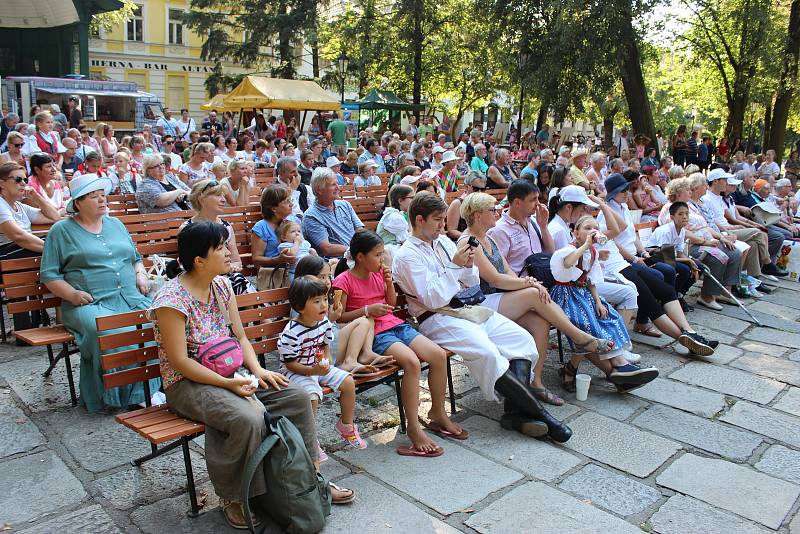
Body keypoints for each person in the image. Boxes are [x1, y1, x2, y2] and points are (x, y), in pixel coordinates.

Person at [149, 223, 353, 528]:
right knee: (249, 417)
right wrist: (228, 383)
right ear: (199, 260)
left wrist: (258, 370)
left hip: (234, 372)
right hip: (188, 384)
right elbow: (179, 361)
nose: (228, 252)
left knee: (296, 396)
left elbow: (240, 337)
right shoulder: (171, 301)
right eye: (220, 247)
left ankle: (310, 480)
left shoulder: (222, 285)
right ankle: (236, 496)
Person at [393, 193, 572, 441]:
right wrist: (456, 266)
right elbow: (432, 299)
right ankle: (545, 418)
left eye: (444, 219)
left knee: (520, 340)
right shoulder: (406, 255)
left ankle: (517, 412)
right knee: (487, 353)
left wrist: (466, 266)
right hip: (436, 318)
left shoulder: (443, 242)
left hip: (466, 308)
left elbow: (470, 282)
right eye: (437, 220)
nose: (443, 225)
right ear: (419, 219)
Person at [462, 192, 639, 405]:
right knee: (537, 294)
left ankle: (535, 382)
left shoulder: (488, 237)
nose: (497, 212)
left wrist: (529, 282)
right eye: (492, 209)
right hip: (481, 303)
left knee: (541, 321)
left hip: (501, 297)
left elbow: (508, 272)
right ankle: (581, 338)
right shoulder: (469, 241)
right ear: (478, 215)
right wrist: (530, 284)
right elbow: (494, 279)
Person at [334, 231, 464, 455]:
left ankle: (437, 413)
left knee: (438, 355)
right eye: (377, 255)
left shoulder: (377, 275)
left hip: (395, 325)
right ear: (360, 257)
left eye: (383, 253)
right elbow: (338, 318)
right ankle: (414, 429)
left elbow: (391, 303)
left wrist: (387, 282)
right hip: (372, 334)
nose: (382, 258)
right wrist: (367, 310)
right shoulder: (343, 281)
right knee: (411, 363)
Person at [41, 173, 158, 412]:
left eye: (103, 196)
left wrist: (140, 274)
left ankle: (149, 388)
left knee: (159, 322)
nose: (102, 200)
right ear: (78, 203)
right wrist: (73, 294)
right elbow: (50, 275)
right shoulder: (61, 231)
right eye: (94, 197)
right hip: (88, 302)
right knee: (110, 331)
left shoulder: (116, 224)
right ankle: (120, 396)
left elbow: (135, 258)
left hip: (130, 296)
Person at [599, 175, 717, 354]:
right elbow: (617, 234)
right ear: (612, 194)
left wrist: (644, 253)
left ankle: (690, 332)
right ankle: (685, 340)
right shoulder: (604, 214)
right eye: (621, 191)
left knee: (665, 289)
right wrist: (602, 204)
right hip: (616, 266)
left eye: (626, 189)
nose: (626, 193)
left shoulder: (622, 206)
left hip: (627, 261)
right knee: (648, 297)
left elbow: (631, 235)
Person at [550, 215, 659, 392]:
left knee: (609, 317)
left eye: (595, 228)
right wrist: (586, 244)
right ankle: (617, 367)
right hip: (565, 295)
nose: (592, 231)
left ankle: (616, 364)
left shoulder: (591, 253)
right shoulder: (567, 250)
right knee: (586, 324)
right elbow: (568, 263)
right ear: (575, 232)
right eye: (587, 228)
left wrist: (599, 302)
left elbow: (591, 280)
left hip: (583, 294)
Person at [279, 276, 366, 451]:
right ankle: (309, 440)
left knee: (348, 382)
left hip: (317, 366)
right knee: (312, 398)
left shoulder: (324, 323)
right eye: (316, 301)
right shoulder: (291, 333)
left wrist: (326, 361)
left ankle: (346, 425)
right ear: (299, 307)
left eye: (325, 299)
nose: (324, 305)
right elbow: (290, 364)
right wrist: (312, 371)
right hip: (296, 372)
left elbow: (325, 344)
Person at [0, 162, 61, 330]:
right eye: (18, 179)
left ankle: (63, 318)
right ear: (2, 183)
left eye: (25, 180)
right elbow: (18, 236)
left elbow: (54, 216)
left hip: (21, 258)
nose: (23, 184)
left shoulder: (20, 206)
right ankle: (64, 319)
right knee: (59, 247)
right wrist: (54, 251)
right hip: (5, 259)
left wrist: (35, 195)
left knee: (58, 237)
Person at [182, 179, 253, 294]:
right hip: (203, 281)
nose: (223, 200)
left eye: (223, 195)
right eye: (218, 195)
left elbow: (236, 261)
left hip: (227, 278)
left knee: (238, 280)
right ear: (201, 199)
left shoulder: (226, 226)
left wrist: (233, 266)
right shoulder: (187, 228)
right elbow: (188, 265)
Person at [303, 168, 364, 257]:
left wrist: (366, 244)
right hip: (338, 262)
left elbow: (360, 230)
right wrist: (355, 250)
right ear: (319, 190)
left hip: (357, 255)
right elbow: (327, 249)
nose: (338, 188)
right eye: (333, 185)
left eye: (337, 184)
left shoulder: (345, 205)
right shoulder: (311, 216)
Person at [377, 184, 413, 258]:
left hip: (396, 249)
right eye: (412, 197)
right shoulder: (394, 217)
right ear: (400, 200)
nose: (414, 200)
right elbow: (406, 241)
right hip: (391, 252)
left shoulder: (399, 214)